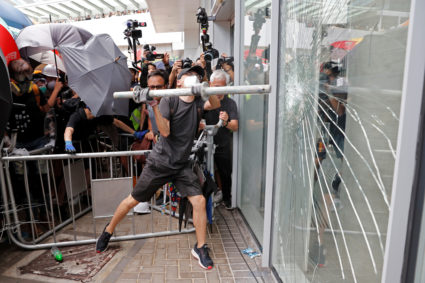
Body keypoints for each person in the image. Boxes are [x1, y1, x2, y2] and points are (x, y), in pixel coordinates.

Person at [96, 65, 220, 270]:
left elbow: (214, 104)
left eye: (195, 75)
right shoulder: (170, 100)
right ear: (179, 82)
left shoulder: (198, 100)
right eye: (188, 75)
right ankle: (108, 231)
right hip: (160, 163)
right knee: (132, 201)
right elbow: (164, 131)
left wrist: (206, 84)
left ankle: (200, 247)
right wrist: (153, 104)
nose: (193, 78)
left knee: (198, 201)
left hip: (181, 165)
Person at [204, 70, 238, 209]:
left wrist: (225, 122)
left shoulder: (230, 103)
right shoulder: (204, 101)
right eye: (215, 86)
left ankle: (227, 199)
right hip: (205, 143)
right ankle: (208, 200)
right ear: (210, 84)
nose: (218, 90)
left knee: (225, 172)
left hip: (223, 144)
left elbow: (235, 126)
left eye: (221, 87)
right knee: (205, 172)